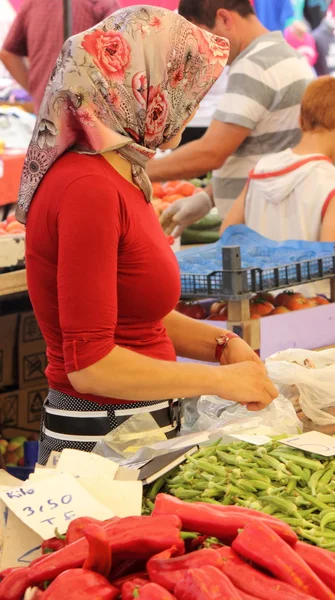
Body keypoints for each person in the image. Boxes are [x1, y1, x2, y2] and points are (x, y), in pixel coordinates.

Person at [16, 7, 278, 464]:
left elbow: (133, 314)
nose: (189, 106)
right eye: (181, 88)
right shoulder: (87, 188)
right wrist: (221, 382)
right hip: (101, 442)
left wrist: (219, 344)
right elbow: (91, 366)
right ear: (137, 86)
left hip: (135, 430)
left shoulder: (119, 169)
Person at [147, 0, 314, 237]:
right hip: (273, 221)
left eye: (202, 38)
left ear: (224, 19)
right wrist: (208, 197)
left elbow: (212, 153)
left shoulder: (255, 65)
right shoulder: (285, 56)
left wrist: (138, 170)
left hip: (262, 229)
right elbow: (262, 150)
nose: (202, 53)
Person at [221, 77, 335, 306]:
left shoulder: (261, 169)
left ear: (300, 120)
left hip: (261, 306)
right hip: (312, 306)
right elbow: (332, 255)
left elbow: (228, 232)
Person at [0, 0, 120, 113]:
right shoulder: (100, 4)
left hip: (48, 113)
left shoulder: (33, 3)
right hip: (86, 115)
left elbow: (8, 54)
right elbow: (125, 59)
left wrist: (38, 92)